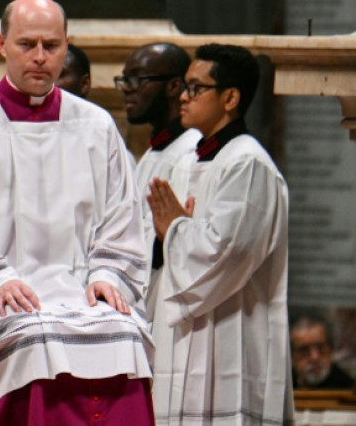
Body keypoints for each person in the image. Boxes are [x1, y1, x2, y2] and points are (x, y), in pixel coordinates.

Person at [0, 0, 154, 425]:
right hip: (0, 291)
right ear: (1, 44)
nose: (39, 57)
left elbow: (121, 218)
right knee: (35, 338)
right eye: (26, 44)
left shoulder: (95, 125)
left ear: (67, 45)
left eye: (51, 46)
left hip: (81, 286)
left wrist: (107, 275)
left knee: (124, 334)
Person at [147, 43, 293, 424]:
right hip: (181, 340)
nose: (183, 96)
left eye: (195, 88)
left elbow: (226, 254)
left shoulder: (248, 165)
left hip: (231, 337)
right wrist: (167, 237)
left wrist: (175, 229)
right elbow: (165, 246)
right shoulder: (185, 162)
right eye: (184, 86)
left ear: (230, 98)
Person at [115, 42, 200, 321]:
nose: (127, 88)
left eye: (137, 78)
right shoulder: (153, 153)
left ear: (174, 87)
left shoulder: (192, 152)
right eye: (124, 79)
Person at [290, 314, 355, 389]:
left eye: (321, 348)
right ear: (292, 357)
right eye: (304, 350)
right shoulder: (282, 388)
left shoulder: (349, 389)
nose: (314, 357)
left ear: (331, 349)